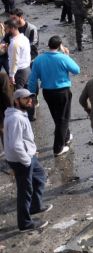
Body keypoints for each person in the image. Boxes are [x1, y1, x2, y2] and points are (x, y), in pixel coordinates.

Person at [4, 88, 51, 231]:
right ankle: (24, 224)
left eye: (30, 98)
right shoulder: (16, 118)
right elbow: (16, 144)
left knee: (40, 177)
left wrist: (31, 151)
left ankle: (35, 207)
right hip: (21, 160)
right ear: (17, 101)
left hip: (28, 155)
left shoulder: (20, 114)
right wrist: (26, 160)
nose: (30, 101)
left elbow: (23, 139)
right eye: (25, 99)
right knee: (25, 191)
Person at [27, 36, 79, 156]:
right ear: (60, 45)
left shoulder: (38, 60)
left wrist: (32, 94)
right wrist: (67, 55)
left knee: (57, 117)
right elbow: (76, 70)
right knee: (64, 118)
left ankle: (66, 136)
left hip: (48, 92)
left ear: (48, 45)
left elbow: (33, 79)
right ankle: (58, 148)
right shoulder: (62, 57)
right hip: (62, 91)